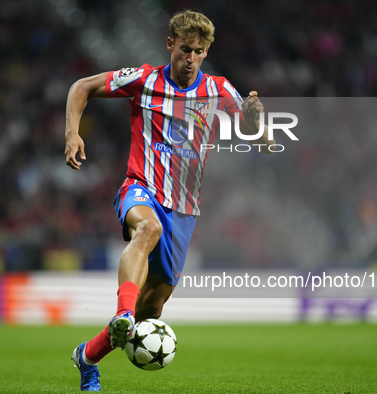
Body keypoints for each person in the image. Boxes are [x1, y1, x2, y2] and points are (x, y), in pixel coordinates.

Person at [64, 10, 273, 391]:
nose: (190, 58)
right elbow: (82, 87)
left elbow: (257, 139)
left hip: (185, 208)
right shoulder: (143, 80)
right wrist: (72, 134)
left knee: (152, 310)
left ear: (206, 51)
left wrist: (257, 121)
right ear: (170, 45)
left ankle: (88, 355)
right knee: (148, 228)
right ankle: (122, 312)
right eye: (184, 49)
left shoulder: (219, 90)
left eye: (198, 51)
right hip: (140, 187)